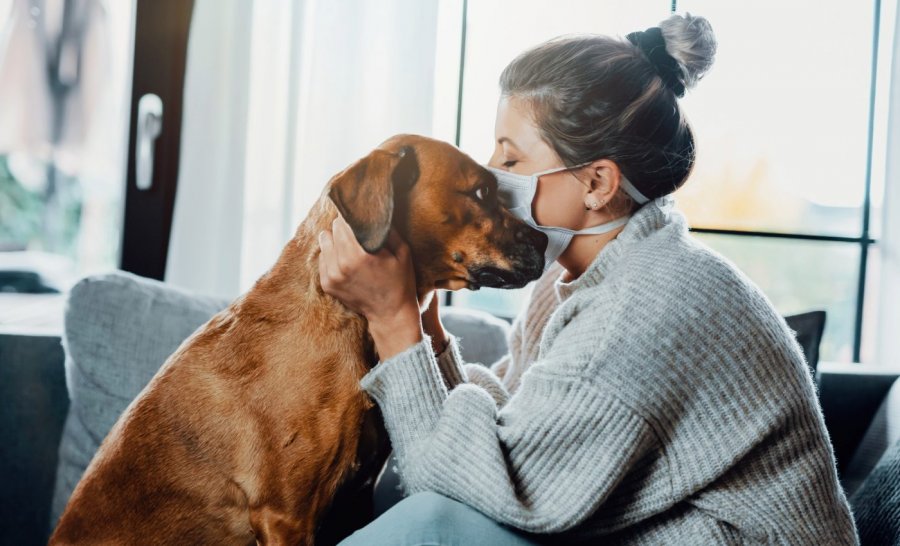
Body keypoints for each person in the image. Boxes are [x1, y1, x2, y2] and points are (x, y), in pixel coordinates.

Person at [317, 13, 859, 545]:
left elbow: (497, 485)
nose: (487, 174)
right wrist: (427, 331)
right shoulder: (577, 278)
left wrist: (391, 323)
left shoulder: (648, 303)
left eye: (511, 156)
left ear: (598, 183)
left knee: (430, 522)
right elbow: (511, 426)